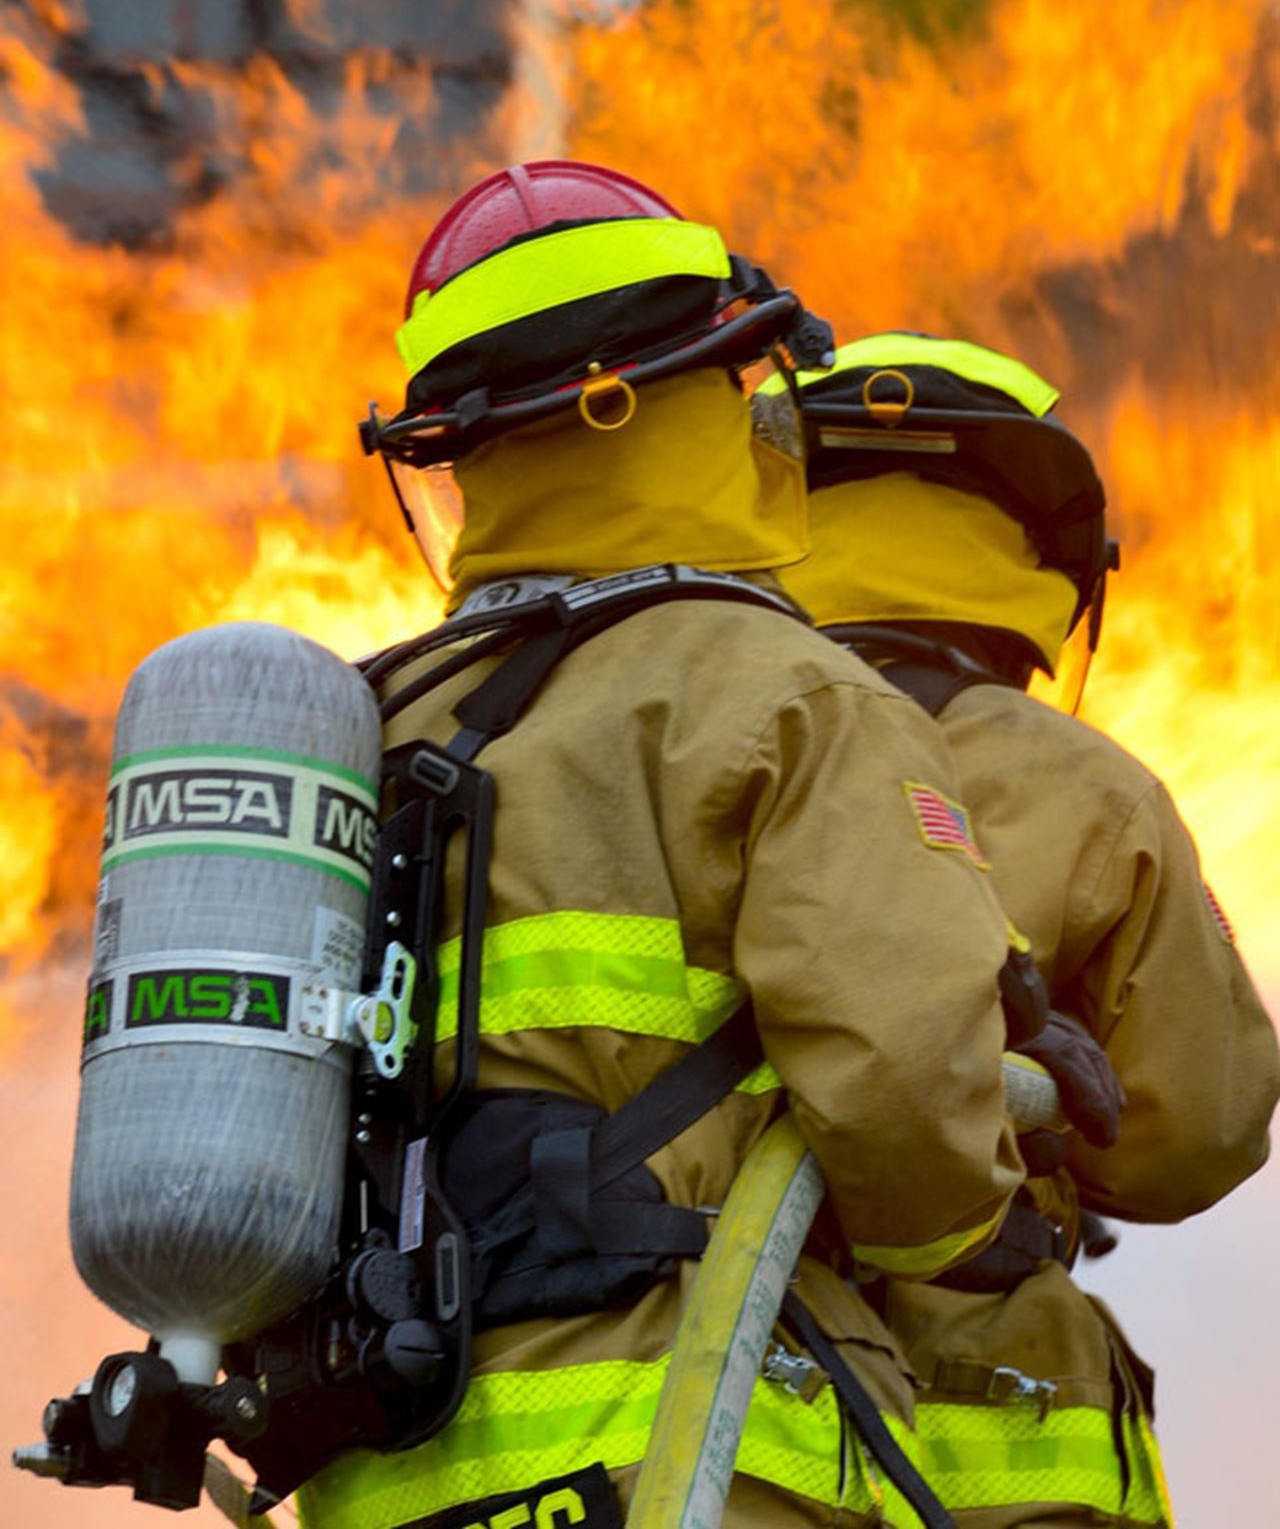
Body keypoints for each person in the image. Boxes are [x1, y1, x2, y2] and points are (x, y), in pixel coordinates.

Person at [296, 168, 1029, 1529]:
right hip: (690, 1447)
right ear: (688, 395)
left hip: (390, 1474)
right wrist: (974, 1228)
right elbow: (908, 1095)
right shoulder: (781, 691)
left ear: (459, 453)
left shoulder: (362, 715)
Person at [762, 331, 1280, 1528]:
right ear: (1051, 569)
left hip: (696, 1395)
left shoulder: (691, 735)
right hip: (991, 1429)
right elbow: (1196, 1131)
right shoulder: (1088, 786)